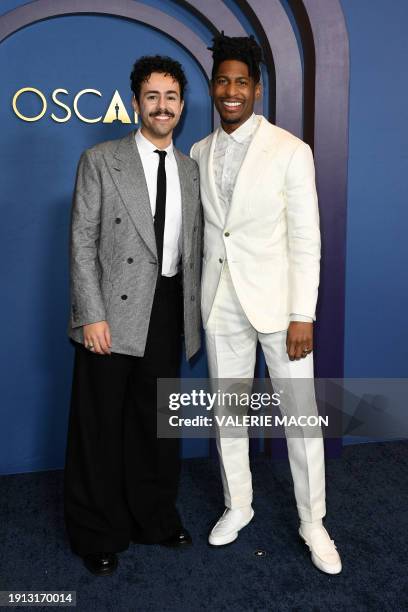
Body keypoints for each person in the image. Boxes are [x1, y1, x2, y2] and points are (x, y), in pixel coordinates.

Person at [190, 34, 342, 574]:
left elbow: (307, 237)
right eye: (223, 81)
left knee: (300, 419)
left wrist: (304, 312)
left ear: (257, 88)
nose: (231, 91)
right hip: (220, 304)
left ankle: (312, 521)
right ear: (214, 87)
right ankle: (238, 505)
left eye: (241, 82)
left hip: (281, 309)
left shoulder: (290, 150)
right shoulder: (199, 152)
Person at [65, 55, 202, 576]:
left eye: (171, 97)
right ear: (136, 103)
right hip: (112, 310)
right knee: (99, 425)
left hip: (168, 308)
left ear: (181, 106)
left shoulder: (190, 169)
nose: (162, 106)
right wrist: (90, 315)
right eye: (152, 96)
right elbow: (81, 242)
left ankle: (154, 517)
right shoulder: (102, 159)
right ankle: (96, 532)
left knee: (155, 424)